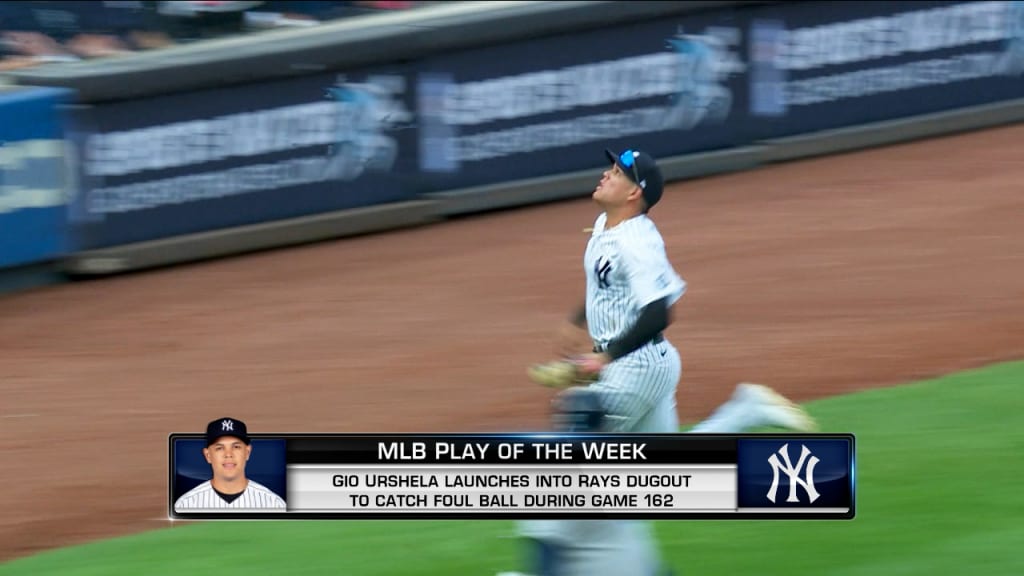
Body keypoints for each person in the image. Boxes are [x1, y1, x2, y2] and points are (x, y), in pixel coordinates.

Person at [507, 148, 817, 576]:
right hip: (648, 363)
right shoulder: (606, 225)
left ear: (634, 193)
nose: (605, 175)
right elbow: (605, 282)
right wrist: (576, 321)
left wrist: (603, 358)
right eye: (611, 168)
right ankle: (746, 408)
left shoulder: (636, 241)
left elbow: (659, 311)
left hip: (633, 369)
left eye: (616, 173)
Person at [174, 417, 286, 512]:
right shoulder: (186, 505)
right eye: (219, 448)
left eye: (236, 447)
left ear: (247, 452)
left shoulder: (273, 504)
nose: (228, 454)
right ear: (208, 455)